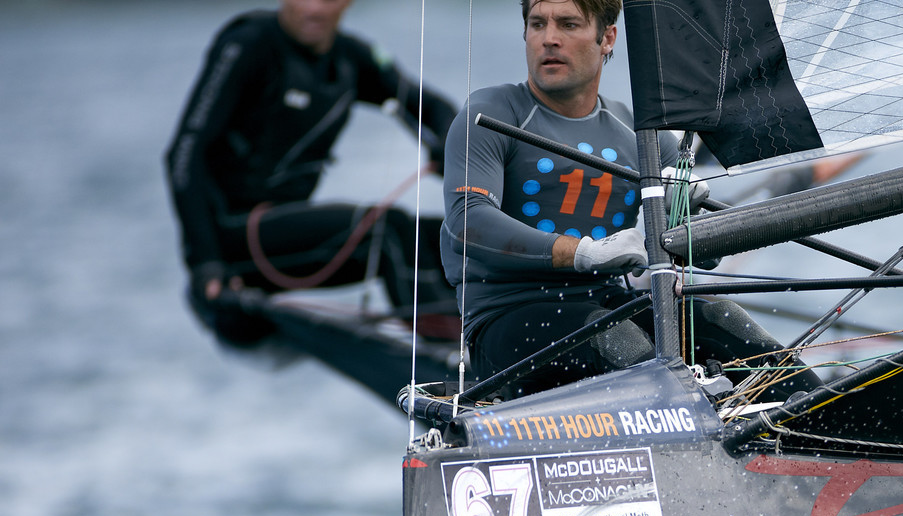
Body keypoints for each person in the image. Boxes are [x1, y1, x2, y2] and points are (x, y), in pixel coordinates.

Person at [443, 0, 816, 396]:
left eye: (568, 24)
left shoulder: (638, 132)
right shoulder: (492, 112)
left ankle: (829, 419)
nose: (549, 39)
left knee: (722, 318)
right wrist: (582, 252)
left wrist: (685, 222)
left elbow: (704, 256)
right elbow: (467, 221)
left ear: (607, 38)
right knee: (617, 339)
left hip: (606, 305)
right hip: (507, 321)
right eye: (537, 25)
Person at [166, 0, 458, 344]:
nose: (315, 9)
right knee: (387, 231)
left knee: (446, 235)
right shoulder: (249, 43)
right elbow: (184, 154)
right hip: (230, 238)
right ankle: (450, 354)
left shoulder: (351, 56)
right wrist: (205, 262)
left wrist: (450, 145)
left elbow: (431, 105)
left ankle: (489, 337)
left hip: (285, 229)